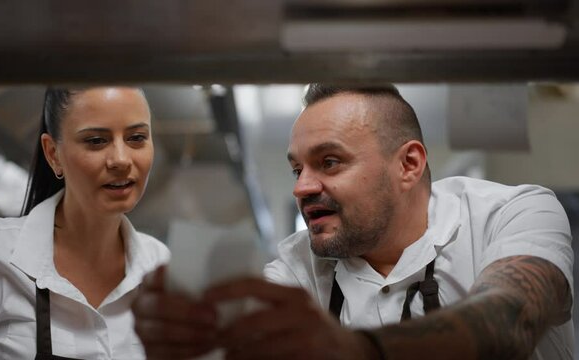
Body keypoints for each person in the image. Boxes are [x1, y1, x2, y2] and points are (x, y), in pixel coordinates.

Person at [132, 84, 574, 360]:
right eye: (296, 169)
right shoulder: (294, 268)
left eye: (329, 161)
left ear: (409, 164)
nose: (302, 188)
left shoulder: (512, 213)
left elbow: (512, 314)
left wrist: (356, 351)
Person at [0, 87, 170, 359]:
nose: (120, 159)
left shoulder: (161, 268)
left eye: (136, 138)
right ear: (53, 153)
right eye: (96, 140)